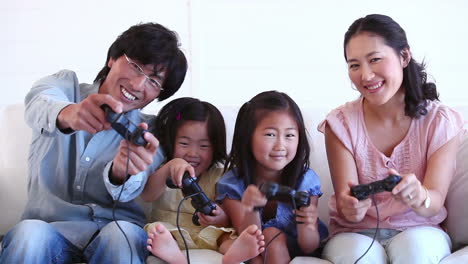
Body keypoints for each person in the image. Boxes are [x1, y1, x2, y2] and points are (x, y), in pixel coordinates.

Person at [0, 23, 187, 264]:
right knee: (29, 234)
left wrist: (122, 172)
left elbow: (137, 186)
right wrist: (69, 113)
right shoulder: (65, 87)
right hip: (49, 227)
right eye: (136, 67)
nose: (139, 85)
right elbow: (38, 103)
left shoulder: (150, 131)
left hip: (115, 231)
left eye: (153, 81)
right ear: (112, 58)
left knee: (124, 236)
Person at [318, 14, 465, 263]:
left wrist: (420, 196)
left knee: (416, 251)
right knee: (358, 256)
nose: (365, 76)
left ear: (404, 56)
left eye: (375, 59)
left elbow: (435, 200)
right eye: (354, 65)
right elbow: (346, 202)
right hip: (355, 233)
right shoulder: (340, 123)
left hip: (420, 229)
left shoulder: (441, 121)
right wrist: (351, 208)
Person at [141, 97, 265, 264]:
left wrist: (220, 218)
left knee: (227, 236)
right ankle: (174, 256)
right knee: (157, 231)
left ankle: (233, 255)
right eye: (184, 143)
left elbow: (226, 217)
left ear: (216, 147)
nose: (193, 153)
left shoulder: (221, 175)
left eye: (204, 146)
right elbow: (147, 195)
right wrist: (169, 168)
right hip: (172, 232)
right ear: (171, 141)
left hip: (210, 233)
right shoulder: (162, 168)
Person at [216, 91, 328, 264]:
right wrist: (251, 209)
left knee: (272, 236)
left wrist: (308, 224)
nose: (280, 145)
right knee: (261, 244)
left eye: (289, 135)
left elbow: (309, 246)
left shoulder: (305, 180)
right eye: (270, 134)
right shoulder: (233, 185)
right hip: (255, 247)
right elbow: (250, 239)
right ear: (248, 137)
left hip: (297, 247)